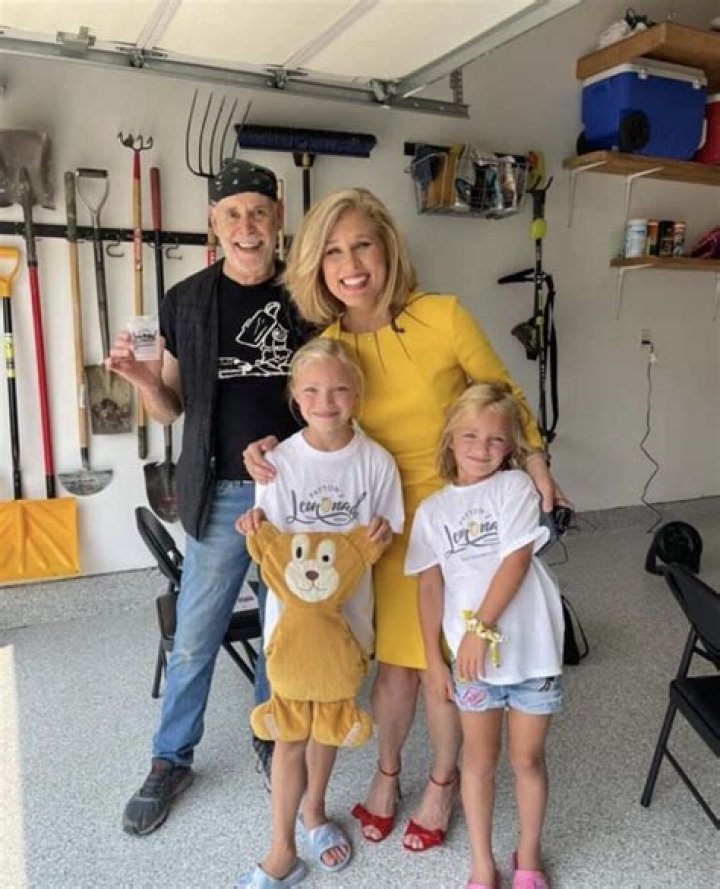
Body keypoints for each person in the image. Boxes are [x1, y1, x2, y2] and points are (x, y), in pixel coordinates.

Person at [244, 187, 567, 852]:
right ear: (317, 266)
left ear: (388, 247)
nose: (350, 264)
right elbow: (319, 417)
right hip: (385, 524)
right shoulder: (330, 344)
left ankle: (442, 782)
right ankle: (387, 773)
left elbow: (503, 396)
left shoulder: (442, 316)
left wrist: (535, 461)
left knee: (441, 664)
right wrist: (270, 447)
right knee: (395, 665)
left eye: (362, 244)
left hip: (462, 515)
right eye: (333, 252)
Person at [106, 158, 308, 836]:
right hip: (219, 492)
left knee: (283, 633)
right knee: (194, 639)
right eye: (232, 215)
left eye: (258, 212)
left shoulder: (308, 293)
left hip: (294, 494)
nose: (247, 226)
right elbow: (170, 408)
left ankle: (272, 734)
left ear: (277, 219)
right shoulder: (186, 300)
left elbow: (338, 393)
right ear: (214, 225)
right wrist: (143, 380)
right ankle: (170, 758)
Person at [235, 338, 404, 887]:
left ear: (358, 393)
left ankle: (315, 811)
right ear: (294, 395)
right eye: (311, 390)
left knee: (327, 724)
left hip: (347, 627)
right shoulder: (278, 463)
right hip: (289, 631)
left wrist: (379, 535)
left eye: (338, 389)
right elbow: (271, 548)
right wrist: (253, 531)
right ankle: (280, 848)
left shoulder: (376, 462)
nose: (325, 402)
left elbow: (384, 534)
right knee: (289, 734)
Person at [405, 381, 563, 889]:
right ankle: (481, 862)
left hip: (532, 656)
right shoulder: (432, 512)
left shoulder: (514, 488)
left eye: (496, 439)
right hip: (472, 666)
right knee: (478, 761)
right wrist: (433, 660)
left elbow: (516, 560)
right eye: (470, 436)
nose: (482, 448)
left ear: (510, 446)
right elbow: (429, 587)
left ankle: (528, 855)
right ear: (450, 439)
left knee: (527, 759)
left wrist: (480, 629)